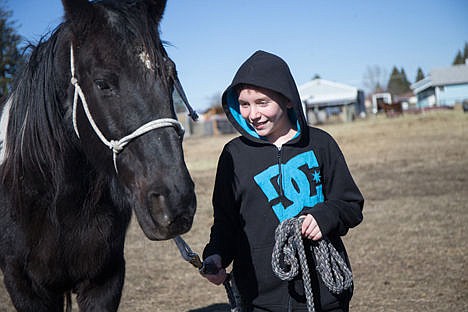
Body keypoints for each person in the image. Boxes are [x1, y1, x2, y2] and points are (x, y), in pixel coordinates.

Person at [201, 50, 364, 312]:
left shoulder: (320, 144)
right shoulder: (234, 155)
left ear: (288, 100)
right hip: (259, 299)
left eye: (262, 103)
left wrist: (325, 216)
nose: (252, 114)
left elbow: (350, 204)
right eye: (244, 104)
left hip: (325, 295)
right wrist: (216, 254)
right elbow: (226, 221)